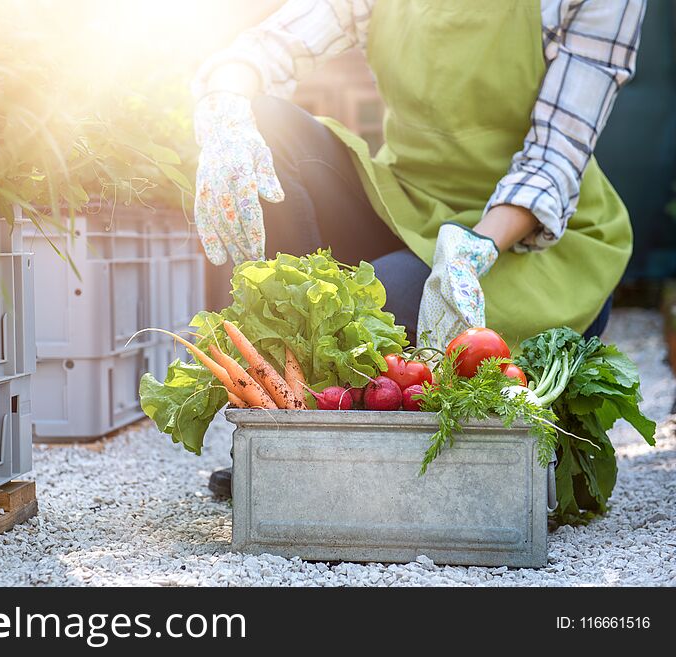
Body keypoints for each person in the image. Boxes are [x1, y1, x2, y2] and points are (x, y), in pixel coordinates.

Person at [192, 0, 645, 497]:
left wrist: (474, 250)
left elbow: (554, 158)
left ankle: (327, 440)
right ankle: (286, 431)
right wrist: (226, 109)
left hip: (526, 239)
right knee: (267, 121)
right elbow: (273, 44)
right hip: (406, 207)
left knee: (382, 303)